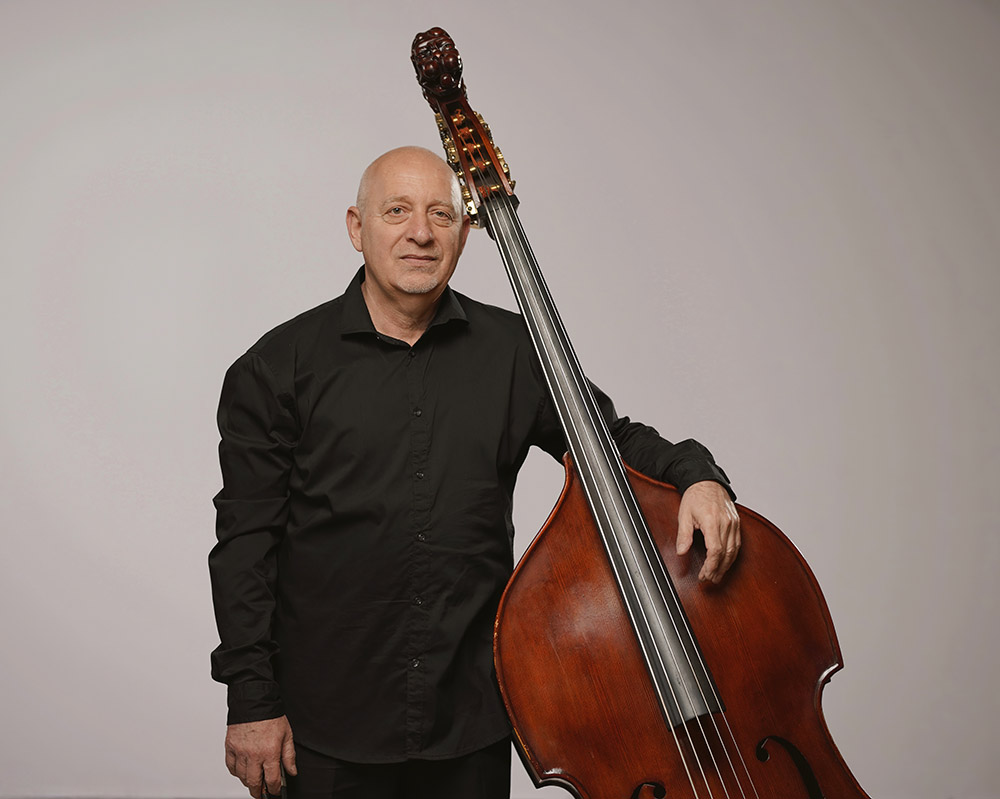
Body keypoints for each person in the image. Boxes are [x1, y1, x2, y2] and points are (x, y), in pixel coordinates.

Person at [209, 146, 741, 799]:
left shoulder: (515, 352)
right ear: (356, 227)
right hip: (323, 728)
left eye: (441, 214)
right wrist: (252, 701)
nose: (421, 233)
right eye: (397, 211)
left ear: (465, 232)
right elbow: (245, 547)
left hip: (470, 722)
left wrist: (697, 475)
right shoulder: (277, 368)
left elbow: (610, 441)